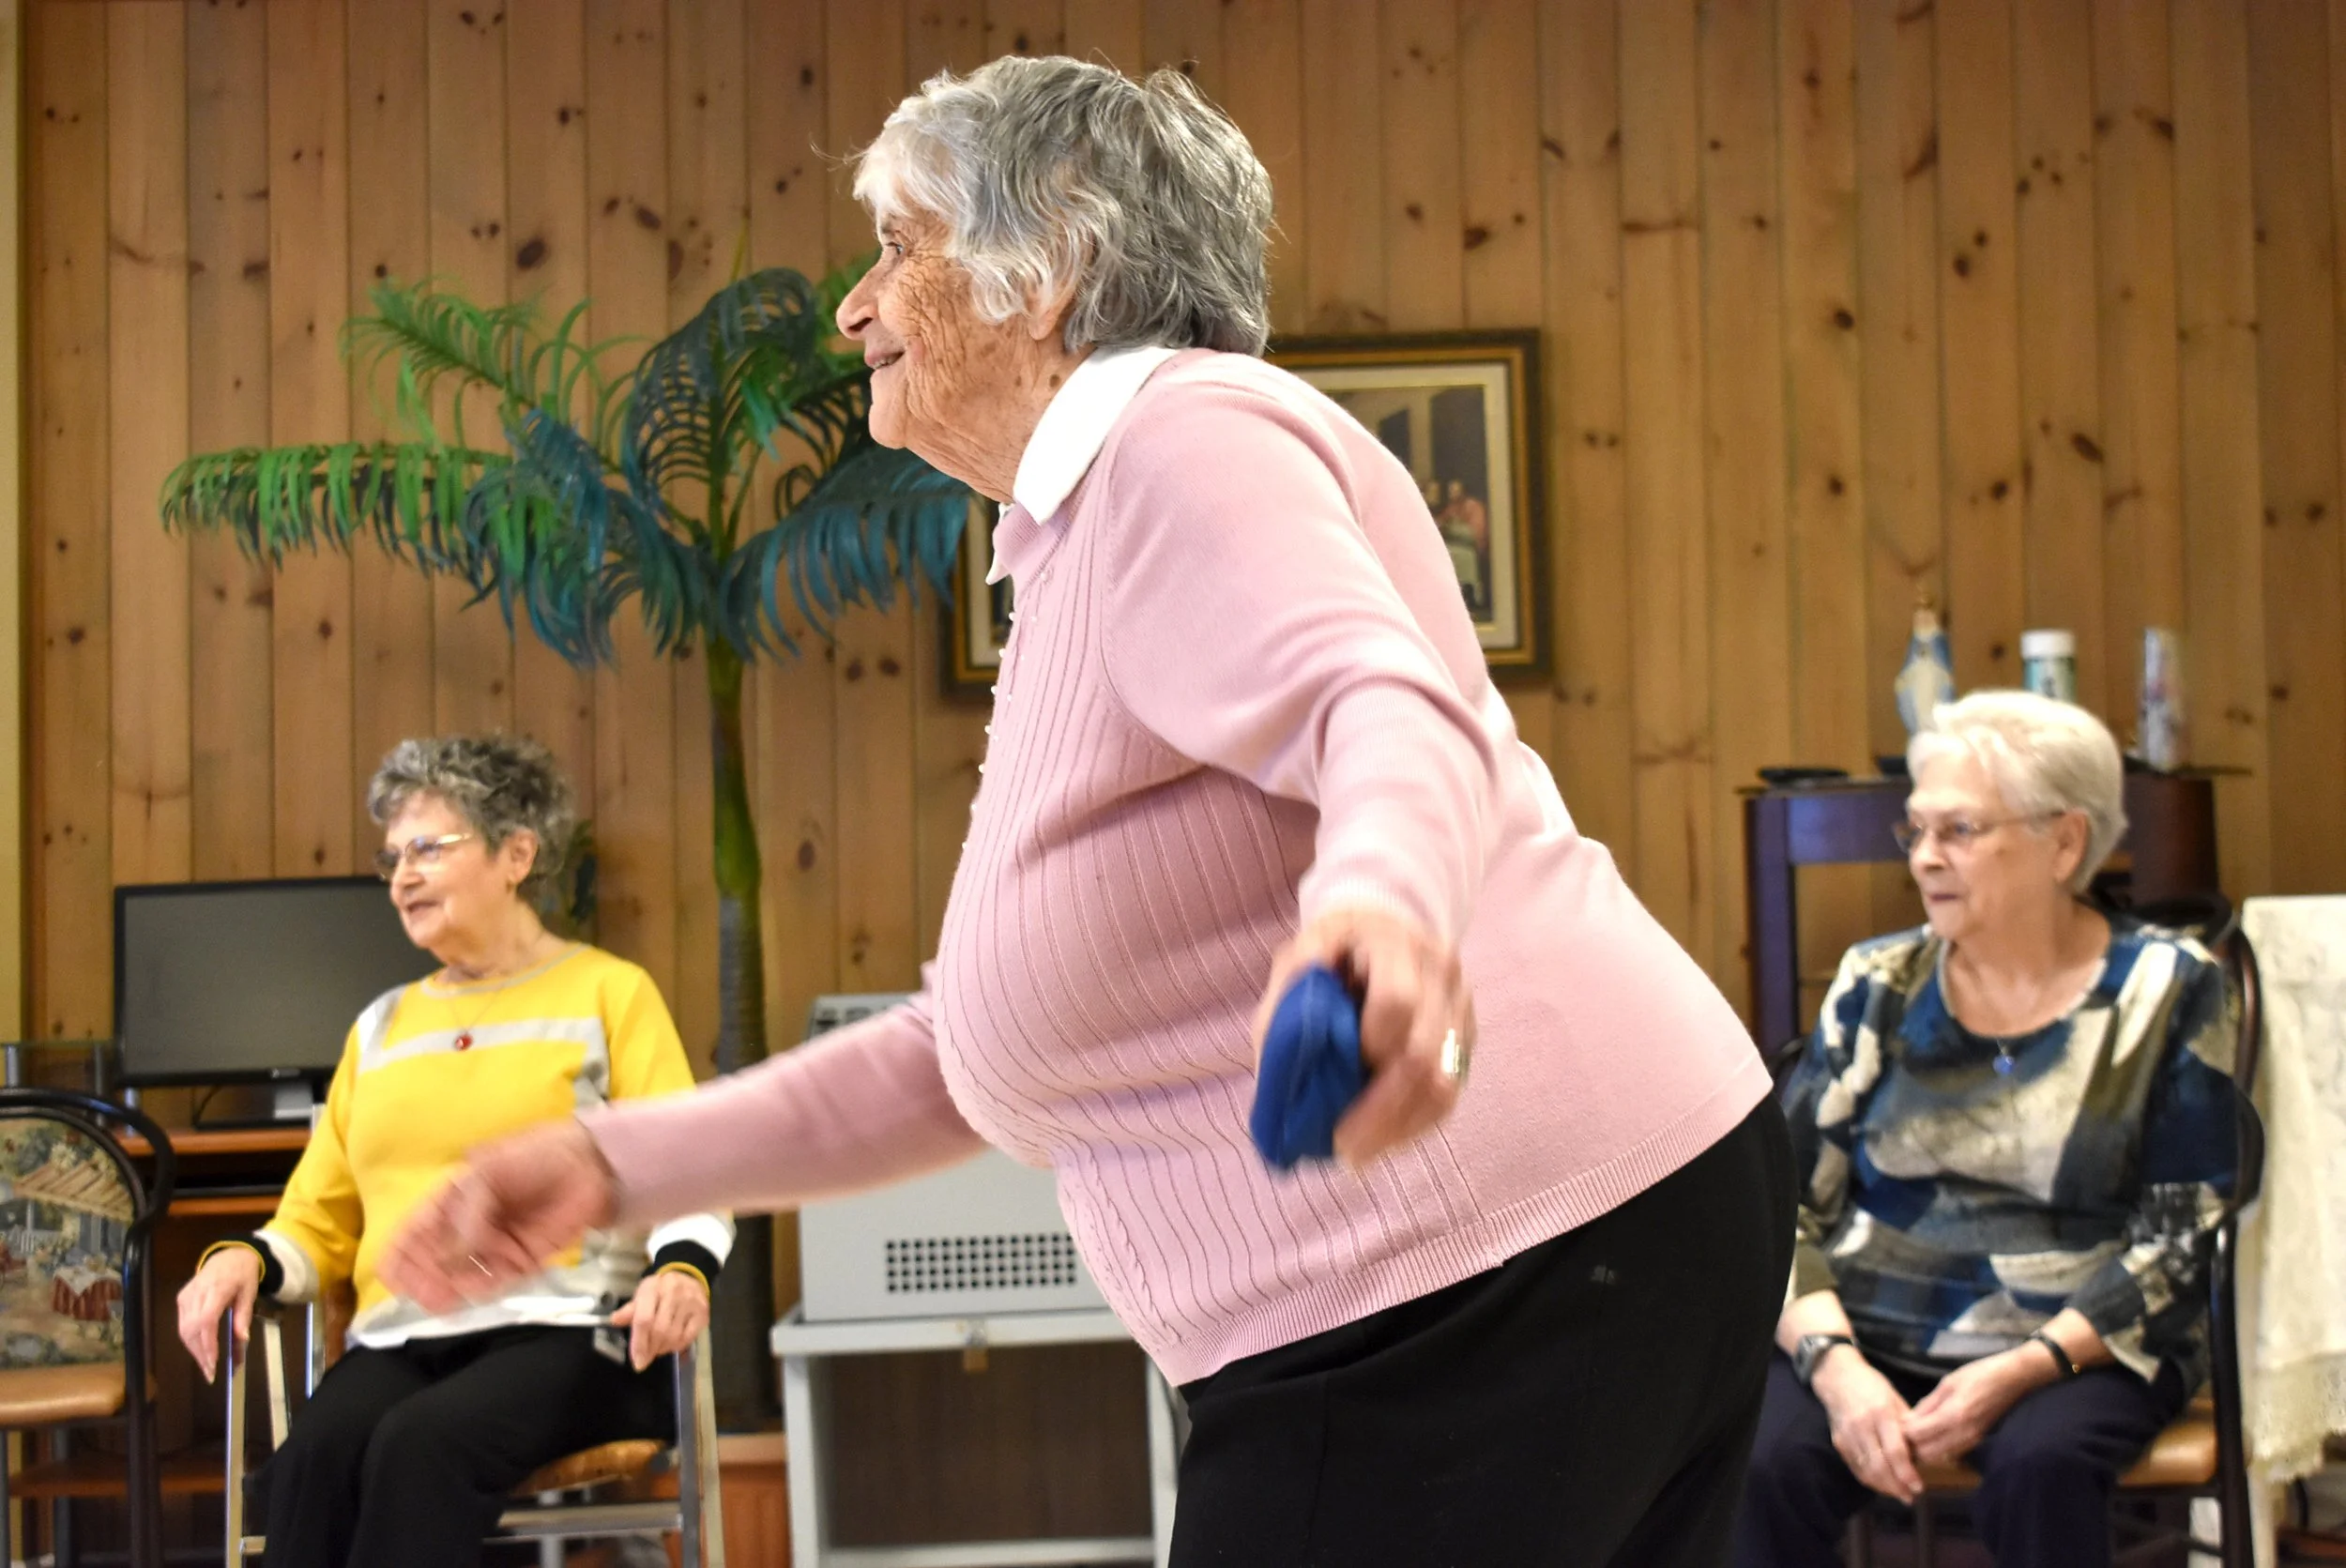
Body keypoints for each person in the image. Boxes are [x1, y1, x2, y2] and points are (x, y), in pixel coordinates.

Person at [386, 56, 1789, 1568]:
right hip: (1535, 1239)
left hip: (1478, 1263)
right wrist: (615, 1166)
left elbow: (1375, 701)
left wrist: (1379, 912)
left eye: (899, 247)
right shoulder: (1080, 526)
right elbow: (972, 1052)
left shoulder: (1179, 437)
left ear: (1048, 262)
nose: (854, 308)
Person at [175, 736, 731, 1568]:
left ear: (517, 855)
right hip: (406, 1337)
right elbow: (315, 1219)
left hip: (580, 1331)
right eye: (393, 856)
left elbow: (685, 1163)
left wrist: (682, 1268)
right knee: (311, 1459)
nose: (403, 874)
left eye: (429, 847)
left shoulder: (609, 992)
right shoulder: (380, 1026)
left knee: (420, 1444)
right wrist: (242, 1258)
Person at [1734, 692, 2242, 1568]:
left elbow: (2180, 1238)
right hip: (1869, 1331)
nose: (1924, 857)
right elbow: (1780, 1206)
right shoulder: (1879, 981)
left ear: (2065, 843)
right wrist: (1839, 1369)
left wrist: (2021, 1368)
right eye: (1917, 830)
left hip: (2082, 1344)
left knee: (2041, 1466)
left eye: (1960, 830)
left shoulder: (2169, 988)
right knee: (1758, 1463)